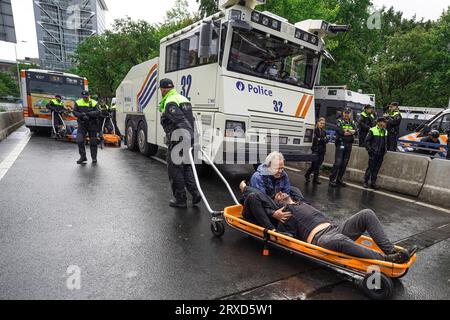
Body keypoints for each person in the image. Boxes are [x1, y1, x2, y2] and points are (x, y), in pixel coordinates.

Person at [242, 188, 417, 263]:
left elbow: (292, 189)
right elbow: (285, 237)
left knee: (367, 213)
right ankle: (384, 260)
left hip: (334, 229)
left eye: (282, 191)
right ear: (277, 204)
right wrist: (276, 219)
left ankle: (391, 251)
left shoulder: (301, 202)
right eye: (277, 195)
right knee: (340, 240)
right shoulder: (284, 214)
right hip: (320, 239)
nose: (280, 193)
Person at [159, 78, 201, 208]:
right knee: (187, 167)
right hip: (189, 138)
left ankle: (180, 200)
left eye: (161, 89)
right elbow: (191, 119)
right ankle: (195, 194)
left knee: (175, 169)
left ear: (163, 89)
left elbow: (181, 120)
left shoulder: (170, 102)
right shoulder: (183, 98)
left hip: (180, 138)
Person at [329, 108, 356, 188]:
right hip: (341, 143)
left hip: (349, 144)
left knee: (344, 163)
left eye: (348, 113)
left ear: (350, 114)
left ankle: (339, 180)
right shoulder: (339, 121)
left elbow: (356, 131)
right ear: (343, 113)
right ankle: (332, 180)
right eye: (345, 113)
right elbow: (340, 131)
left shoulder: (352, 122)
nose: (347, 114)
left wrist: (347, 131)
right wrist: (350, 131)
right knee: (338, 163)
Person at [73, 90, 101, 164]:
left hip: (92, 124)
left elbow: (98, 112)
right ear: (82, 96)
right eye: (84, 97)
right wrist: (82, 115)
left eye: (86, 97)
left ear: (89, 96)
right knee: (79, 140)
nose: (85, 98)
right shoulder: (78, 102)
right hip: (82, 124)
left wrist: (88, 114)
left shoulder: (94, 103)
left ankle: (94, 158)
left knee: (93, 142)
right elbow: (75, 112)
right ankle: (83, 157)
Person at [364, 118, 388, 190]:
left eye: (384, 122)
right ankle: (365, 182)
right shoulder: (372, 130)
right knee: (370, 168)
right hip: (373, 153)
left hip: (381, 153)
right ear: (378, 123)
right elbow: (366, 141)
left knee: (376, 169)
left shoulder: (385, 131)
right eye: (382, 122)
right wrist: (370, 150)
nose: (384, 123)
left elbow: (386, 142)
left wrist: (385, 150)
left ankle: (373, 183)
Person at [305, 117, 329, 184]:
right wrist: (322, 140)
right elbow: (315, 139)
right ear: (318, 123)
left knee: (318, 165)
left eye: (323, 124)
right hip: (316, 150)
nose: (322, 125)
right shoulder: (314, 130)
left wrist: (321, 140)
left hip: (322, 150)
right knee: (314, 165)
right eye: (321, 123)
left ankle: (315, 179)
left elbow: (327, 140)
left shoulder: (324, 132)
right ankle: (307, 175)